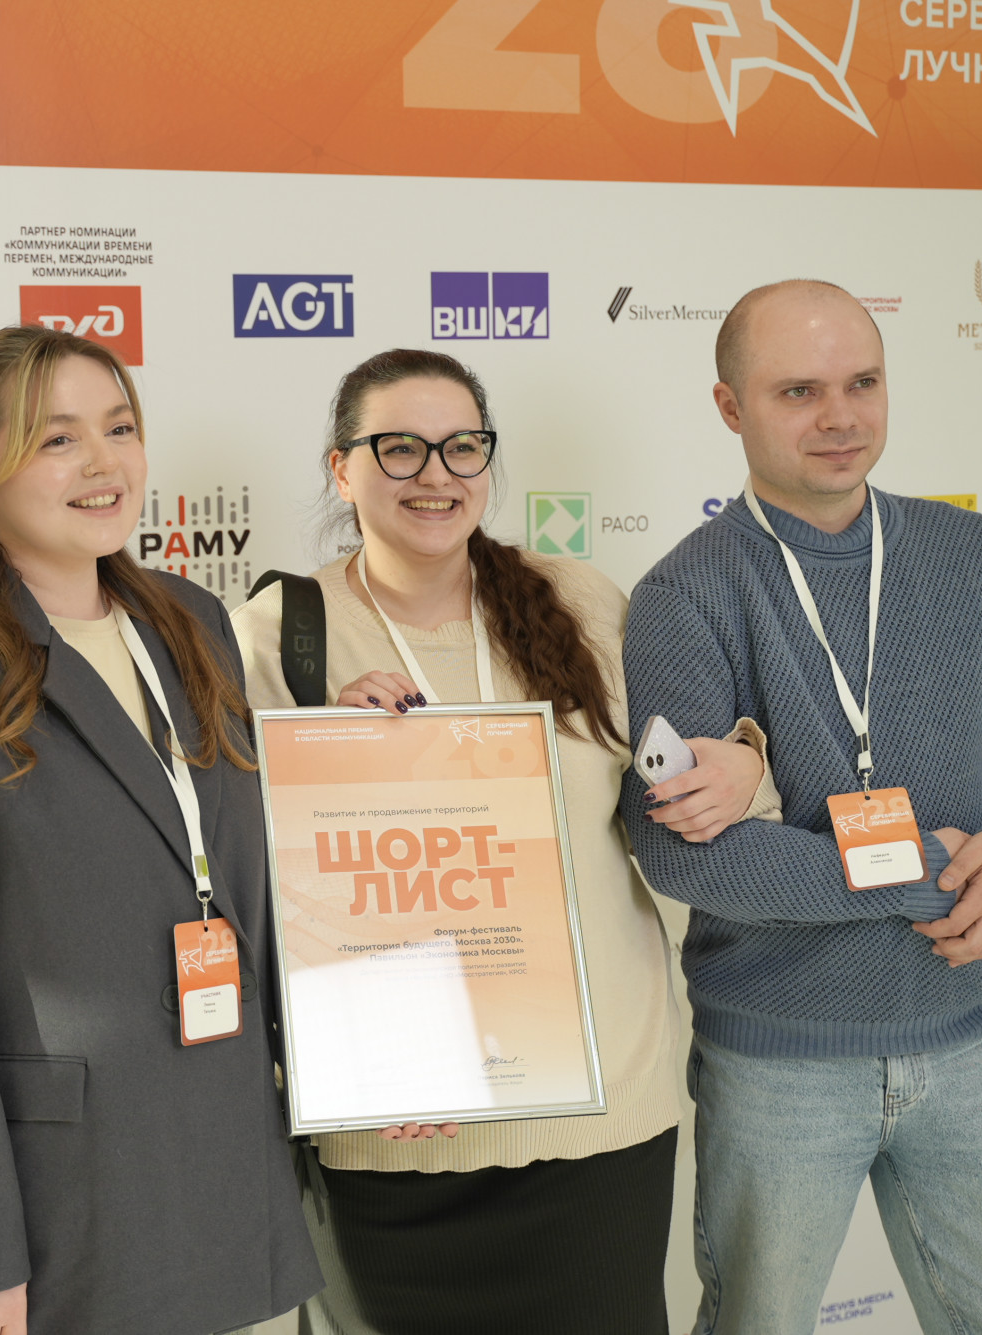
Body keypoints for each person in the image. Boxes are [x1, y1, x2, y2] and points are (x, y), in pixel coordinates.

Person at [232, 348, 776, 1334]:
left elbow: (682, 770)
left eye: (462, 446)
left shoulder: (580, 601)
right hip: (395, 1130)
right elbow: (233, 868)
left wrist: (742, 760)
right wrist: (319, 757)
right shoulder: (278, 635)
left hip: (593, 1123)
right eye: (399, 448)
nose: (435, 473)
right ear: (340, 469)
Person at [0, 324, 321, 1335]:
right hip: (54, 1202)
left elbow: (252, 884)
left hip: (224, 1156)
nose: (103, 463)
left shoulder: (190, 619)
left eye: (119, 428)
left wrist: (362, 1071)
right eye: (56, 439)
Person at [619, 280, 982, 1335]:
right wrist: (925, 868)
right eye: (798, 391)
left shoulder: (979, 557)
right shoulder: (684, 596)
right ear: (730, 407)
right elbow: (686, 852)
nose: (839, 416)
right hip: (778, 1062)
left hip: (972, 1037)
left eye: (861, 383)